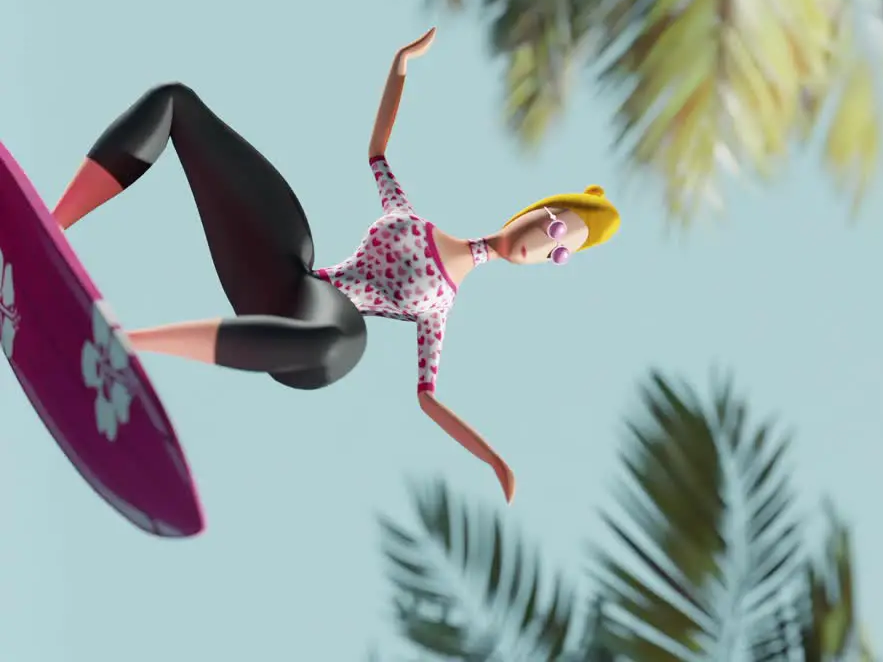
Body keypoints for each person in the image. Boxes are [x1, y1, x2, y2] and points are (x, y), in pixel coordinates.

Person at [48, 28, 620, 504]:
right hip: (282, 273)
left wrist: (494, 459)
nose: (543, 245)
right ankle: (53, 224)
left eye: (557, 251)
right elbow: (377, 151)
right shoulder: (410, 215)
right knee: (178, 102)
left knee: (348, 335)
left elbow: (426, 398)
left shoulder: (439, 312)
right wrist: (400, 66)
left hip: (308, 338)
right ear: (536, 208)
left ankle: (123, 342)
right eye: (553, 226)